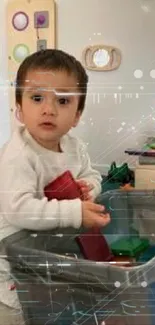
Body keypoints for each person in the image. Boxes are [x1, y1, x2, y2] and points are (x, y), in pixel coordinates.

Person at [0, 49, 110, 313]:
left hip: (47, 239)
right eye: (37, 98)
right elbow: (19, 209)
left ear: (77, 115)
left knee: (58, 295)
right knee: (20, 310)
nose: (48, 109)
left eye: (62, 101)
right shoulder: (18, 155)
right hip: (13, 250)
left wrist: (90, 187)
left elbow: (92, 174)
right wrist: (75, 212)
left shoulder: (75, 147)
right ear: (19, 110)